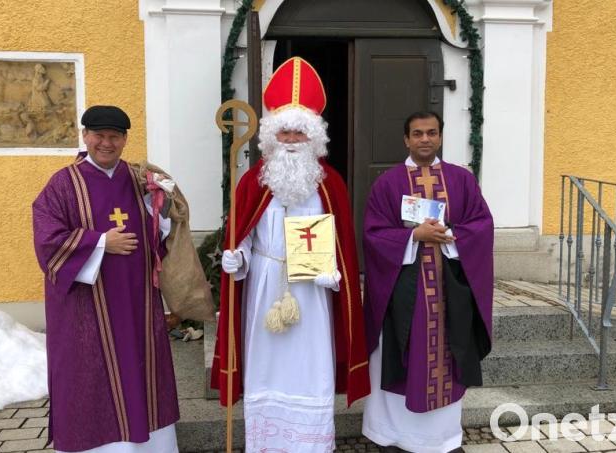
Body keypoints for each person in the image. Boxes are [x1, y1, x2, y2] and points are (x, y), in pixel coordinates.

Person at [211, 57, 370, 453]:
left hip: (311, 291)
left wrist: (332, 274)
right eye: (285, 130)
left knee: (309, 363)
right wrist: (238, 259)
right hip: (264, 287)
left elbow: (341, 246)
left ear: (314, 137)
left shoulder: (330, 183)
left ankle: (310, 444)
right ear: (270, 135)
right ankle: (266, 444)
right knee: (266, 363)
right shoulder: (252, 180)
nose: (292, 139)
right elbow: (243, 233)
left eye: (300, 132)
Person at [33, 105, 186, 453]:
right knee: (90, 376)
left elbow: (159, 235)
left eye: (114, 136)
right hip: (86, 308)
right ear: (85, 137)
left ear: (124, 139)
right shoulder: (63, 184)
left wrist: (161, 207)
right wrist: (101, 242)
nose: (106, 143)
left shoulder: (137, 179)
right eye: (99, 135)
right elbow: (47, 240)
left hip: (137, 301)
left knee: (142, 371)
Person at [361, 112, 494, 452]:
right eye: (417, 133)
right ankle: (392, 435)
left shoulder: (461, 180)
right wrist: (413, 236)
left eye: (431, 133)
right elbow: (373, 234)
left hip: (449, 293)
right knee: (398, 359)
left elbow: (481, 225)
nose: (424, 139)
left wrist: (447, 234)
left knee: (446, 359)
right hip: (402, 293)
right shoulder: (388, 183)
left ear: (440, 137)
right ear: (406, 139)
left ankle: (442, 439)